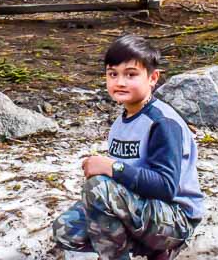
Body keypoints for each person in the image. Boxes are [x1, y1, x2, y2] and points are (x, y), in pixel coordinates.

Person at [52, 35, 204, 260]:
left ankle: (157, 247)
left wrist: (112, 168)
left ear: (152, 78)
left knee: (98, 188)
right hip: (141, 210)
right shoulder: (121, 122)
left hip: (175, 218)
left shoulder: (162, 122)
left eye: (131, 74)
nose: (120, 82)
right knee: (66, 229)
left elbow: (165, 186)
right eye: (113, 74)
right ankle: (155, 251)